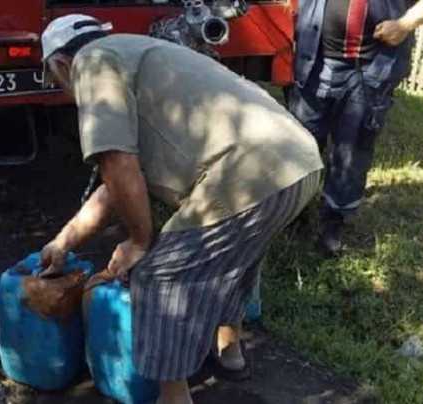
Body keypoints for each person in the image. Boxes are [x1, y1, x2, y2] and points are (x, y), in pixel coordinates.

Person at [37, 14, 323, 404]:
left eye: (58, 84)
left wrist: (139, 242)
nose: (66, 94)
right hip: (298, 161)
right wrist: (63, 242)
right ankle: (230, 352)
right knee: (236, 255)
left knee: (160, 276)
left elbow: (118, 163)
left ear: (61, 64)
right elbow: (114, 185)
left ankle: (173, 398)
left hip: (251, 172)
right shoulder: (136, 51)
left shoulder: (92, 62)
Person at [289, 0, 423, 256]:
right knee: (300, 145)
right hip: (312, 62)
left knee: (352, 152)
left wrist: (404, 24)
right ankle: (293, 214)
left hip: (370, 69)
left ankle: (333, 225)